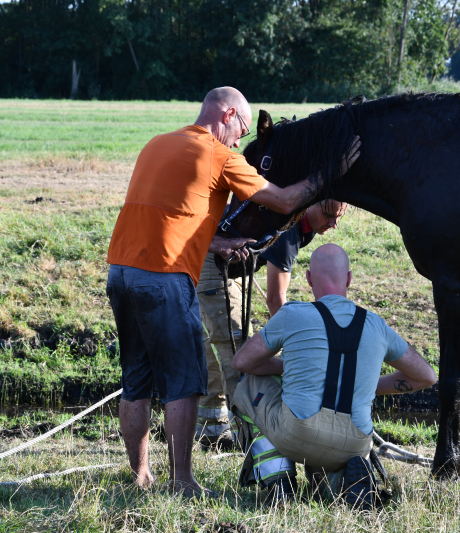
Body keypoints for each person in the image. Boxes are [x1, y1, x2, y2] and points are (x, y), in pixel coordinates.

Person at [105, 86, 361, 497]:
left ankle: (139, 475)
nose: (241, 140)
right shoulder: (219, 155)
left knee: (136, 381)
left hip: (121, 271)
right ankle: (183, 482)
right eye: (241, 129)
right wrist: (329, 172)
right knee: (185, 383)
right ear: (225, 116)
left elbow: (166, 215)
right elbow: (284, 200)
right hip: (166, 278)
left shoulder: (157, 144)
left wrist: (215, 243)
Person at [230, 243, 437, 507]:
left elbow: (242, 362)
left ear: (307, 278)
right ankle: (343, 485)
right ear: (349, 278)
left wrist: (290, 366)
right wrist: (368, 386)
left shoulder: (293, 313)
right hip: (355, 444)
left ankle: (278, 481)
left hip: (297, 435)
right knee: (331, 468)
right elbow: (427, 376)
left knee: (249, 385)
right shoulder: (376, 324)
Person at [195, 200, 348, 444]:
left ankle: (210, 431)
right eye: (328, 214)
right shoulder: (289, 228)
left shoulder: (305, 225)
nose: (334, 224)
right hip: (214, 263)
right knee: (239, 351)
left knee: (220, 344)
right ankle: (254, 443)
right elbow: (276, 300)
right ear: (309, 204)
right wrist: (296, 348)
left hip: (233, 262)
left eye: (339, 216)